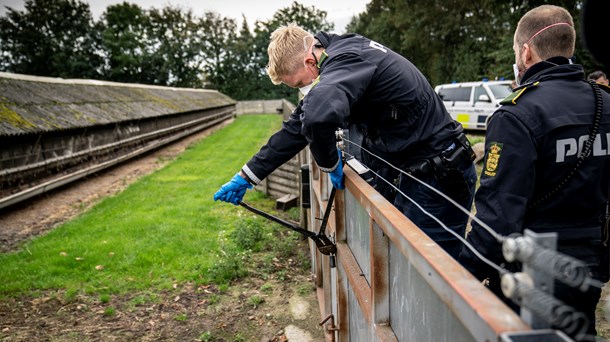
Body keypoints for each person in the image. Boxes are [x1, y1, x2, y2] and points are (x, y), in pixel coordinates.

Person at [214, 23, 477, 259]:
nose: (302, 92)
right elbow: (299, 127)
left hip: (439, 175)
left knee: (431, 272)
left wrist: (330, 163)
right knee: (407, 261)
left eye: (298, 85)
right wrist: (248, 176)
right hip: (414, 171)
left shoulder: (347, 60)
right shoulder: (338, 57)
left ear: (309, 62)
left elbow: (316, 119)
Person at [458, 5, 610, 340]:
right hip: (591, 264)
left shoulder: (517, 114)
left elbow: (497, 218)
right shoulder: (604, 102)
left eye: (516, 51)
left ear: (526, 52)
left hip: (532, 272)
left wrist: (460, 275)